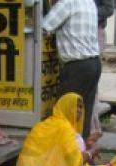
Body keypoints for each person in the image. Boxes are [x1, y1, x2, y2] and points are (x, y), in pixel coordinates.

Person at [6, 93, 95, 166]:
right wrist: (90, 153)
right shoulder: (65, 128)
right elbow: (75, 160)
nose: (79, 110)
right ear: (66, 107)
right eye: (76, 106)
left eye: (81, 107)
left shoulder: (43, 124)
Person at [42, 0, 101, 140]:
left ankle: (65, 155)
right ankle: (80, 154)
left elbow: (43, 28)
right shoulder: (89, 2)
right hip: (94, 63)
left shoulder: (67, 3)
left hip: (77, 67)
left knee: (64, 114)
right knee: (83, 116)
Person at [90, 0, 115, 138]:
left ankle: (93, 128)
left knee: (90, 81)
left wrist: (87, 13)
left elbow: (108, 9)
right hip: (84, 30)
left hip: (94, 30)